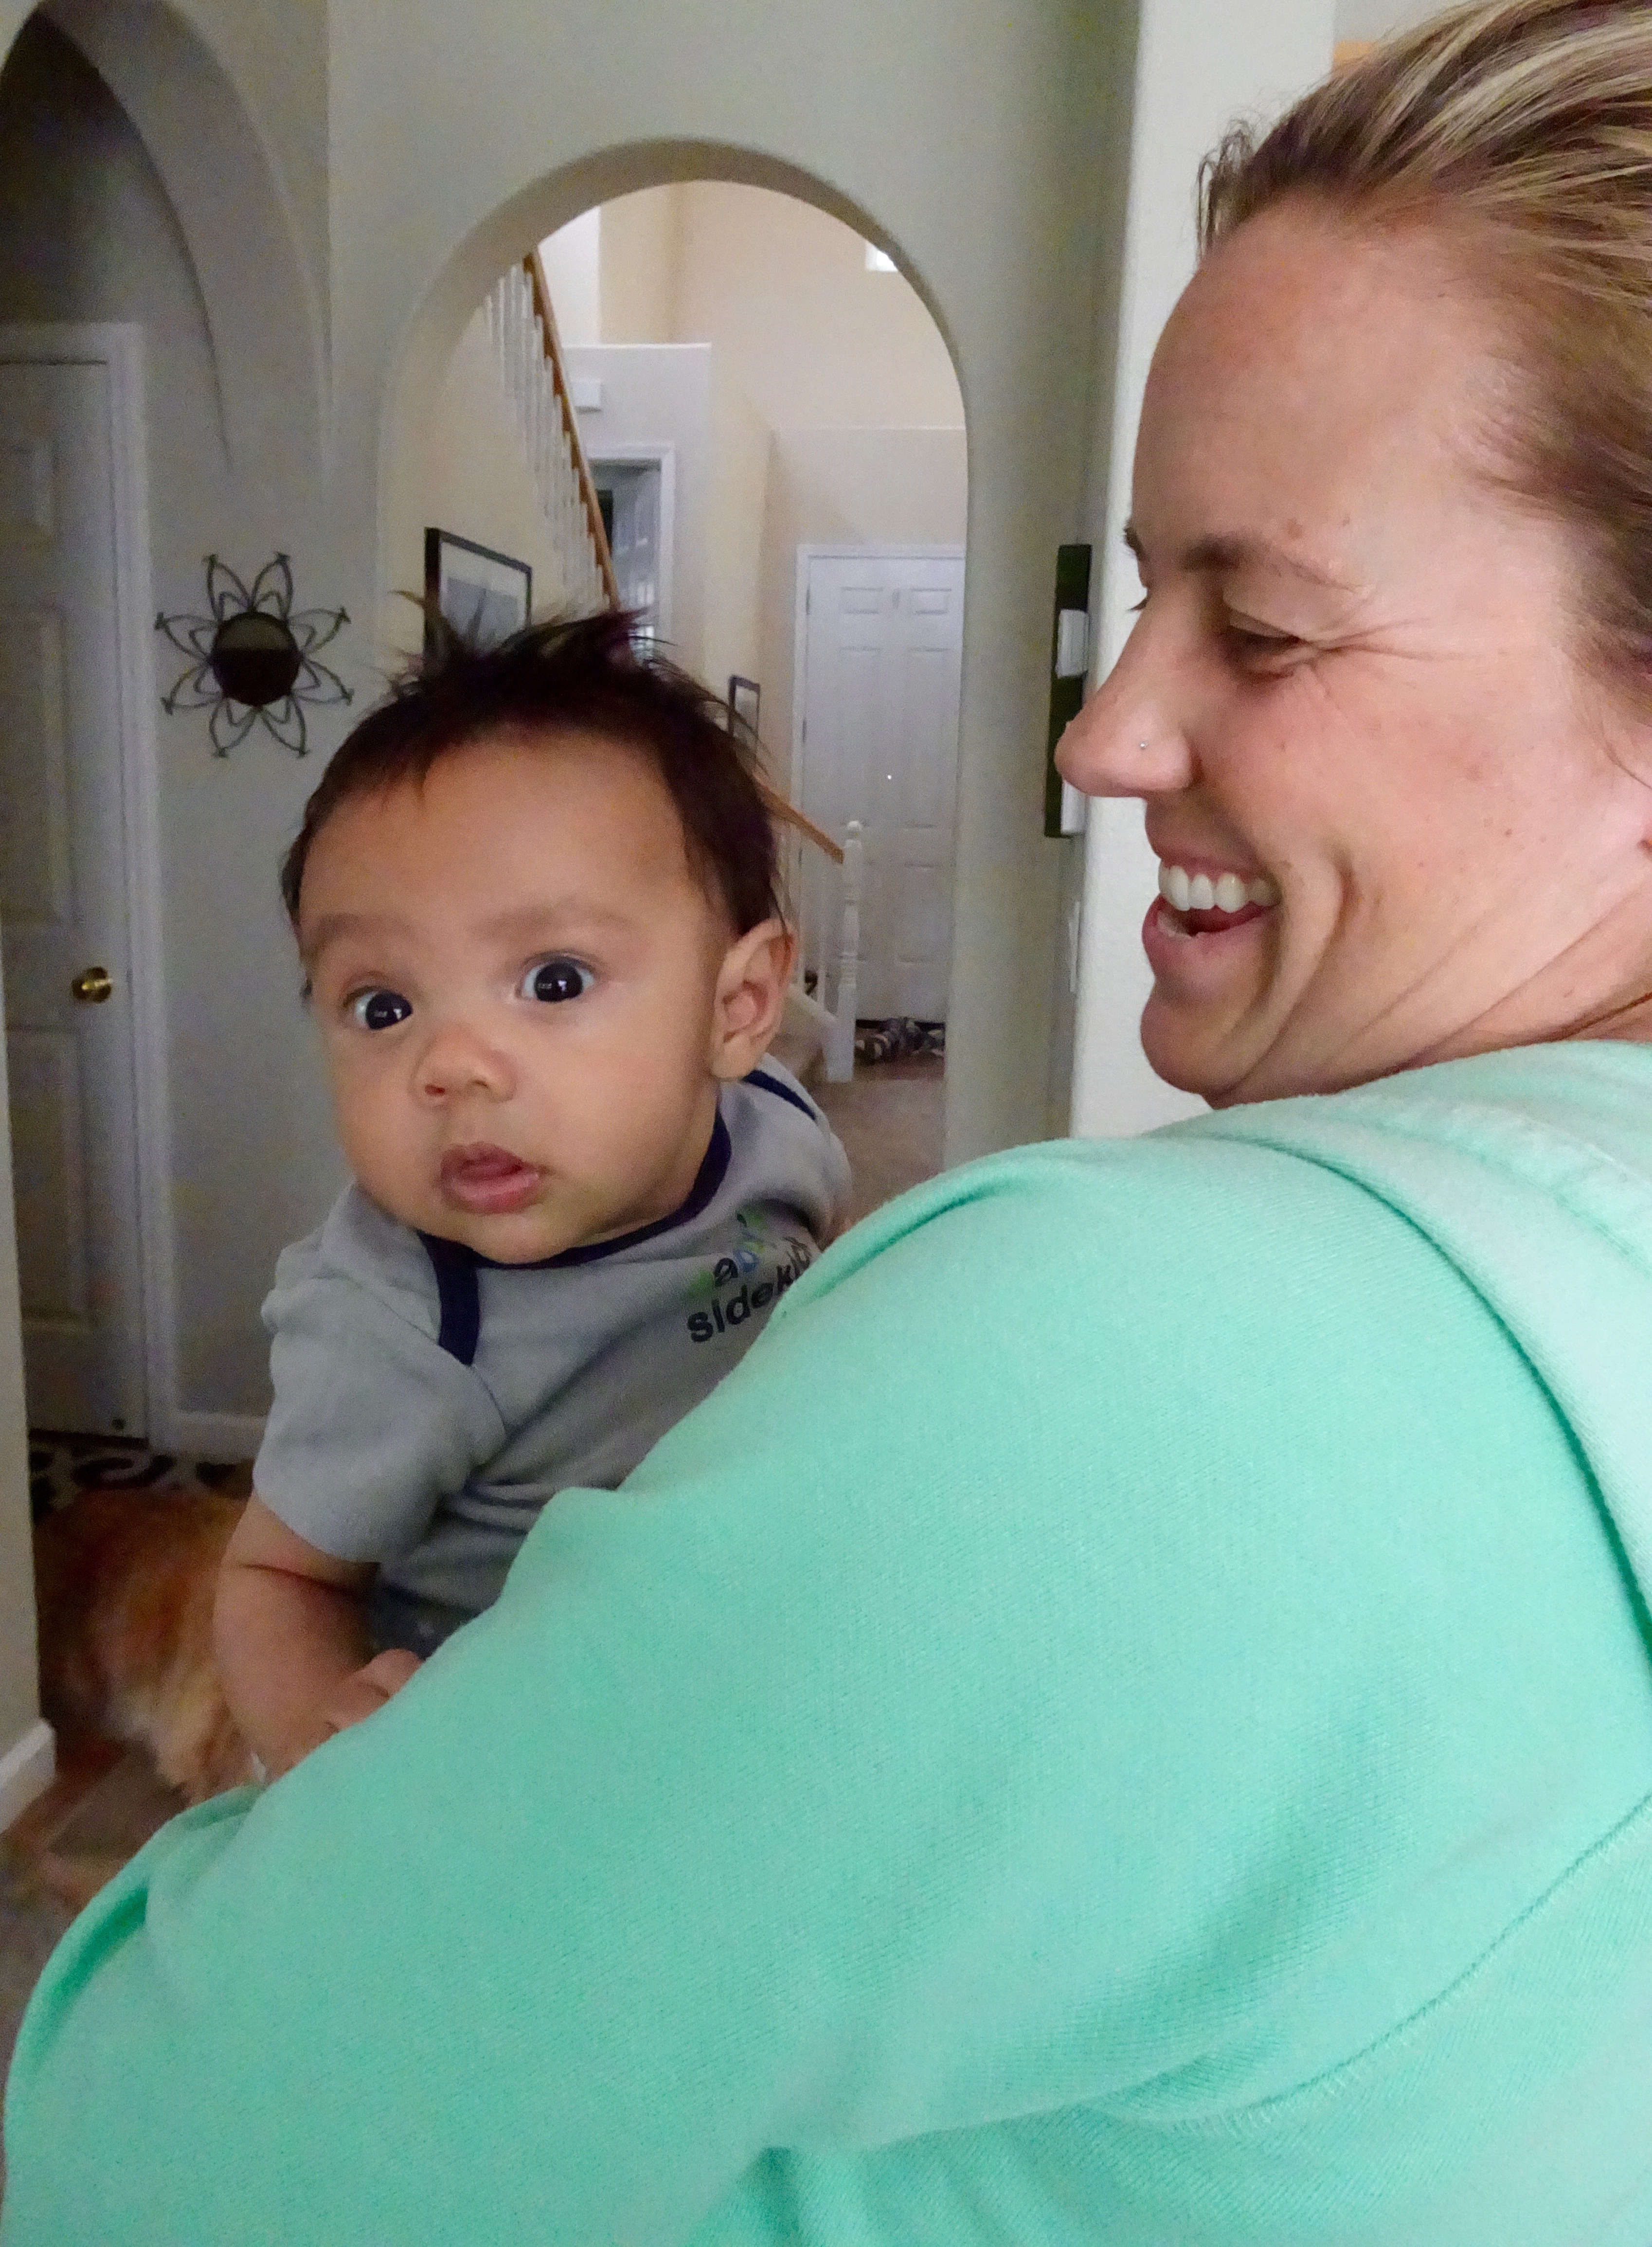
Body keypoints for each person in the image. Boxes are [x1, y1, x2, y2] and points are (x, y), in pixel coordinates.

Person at [5, 1, 1652, 2237]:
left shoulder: (1102, 1356)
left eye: (1261, 628)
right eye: (1143, 594)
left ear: (742, 1001)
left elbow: (156, 2155)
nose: (1100, 738)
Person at [213, 612, 849, 1779]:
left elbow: (818, 1279)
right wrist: (332, 1757)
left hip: (729, 1653)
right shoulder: (400, 1326)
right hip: (515, 1749)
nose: (453, 1066)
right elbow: (276, 1578)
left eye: (553, 981)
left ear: (738, 1008)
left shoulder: (778, 1129)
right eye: (382, 1007)